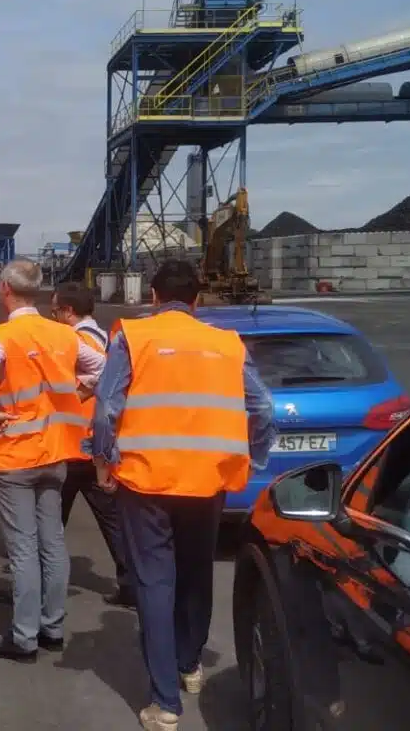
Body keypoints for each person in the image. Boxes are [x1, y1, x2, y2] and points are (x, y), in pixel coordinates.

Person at [90, 259, 276, 731]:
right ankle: (190, 665)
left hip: (146, 481)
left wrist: (104, 461)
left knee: (155, 582)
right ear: (196, 300)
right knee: (196, 572)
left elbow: (107, 407)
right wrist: (252, 459)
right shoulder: (227, 343)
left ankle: (165, 704)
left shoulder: (134, 337)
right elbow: (262, 406)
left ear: (153, 297)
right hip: (208, 480)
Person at [0, 259, 104, 662]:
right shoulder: (63, 335)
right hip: (54, 452)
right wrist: (79, 393)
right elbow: (105, 367)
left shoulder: (2, 337)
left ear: (6, 289)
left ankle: (24, 636)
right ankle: (53, 628)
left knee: (23, 548)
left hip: (14, 455)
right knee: (53, 543)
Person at [51, 281, 134, 608]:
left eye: (55, 311)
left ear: (68, 312)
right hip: (96, 445)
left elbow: (101, 374)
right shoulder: (104, 336)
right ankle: (131, 585)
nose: (53, 317)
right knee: (113, 521)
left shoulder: (76, 340)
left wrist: (82, 389)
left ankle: (37, 590)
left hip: (72, 443)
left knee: (49, 523)